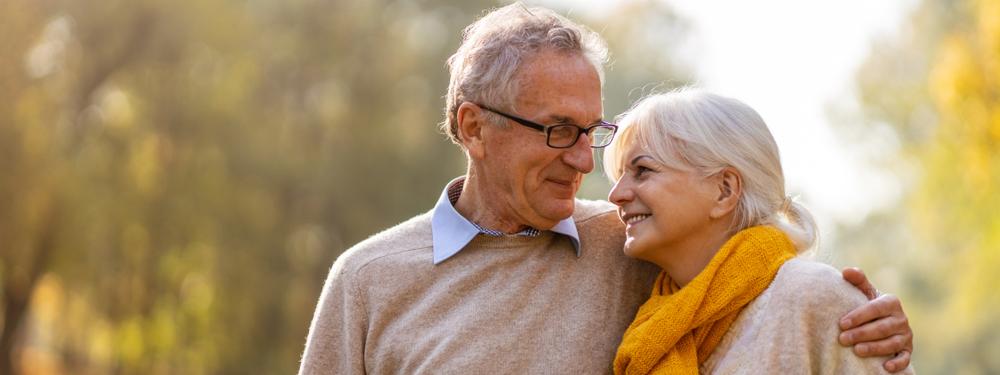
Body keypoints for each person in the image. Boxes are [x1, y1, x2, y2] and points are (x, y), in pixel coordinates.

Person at [298, 4, 913, 374]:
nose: (583, 163)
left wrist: (870, 322)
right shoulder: (367, 281)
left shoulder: (631, 246)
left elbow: (748, 273)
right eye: (559, 131)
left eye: (590, 131)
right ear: (473, 127)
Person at [605, 89, 915, 374]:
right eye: (619, 177)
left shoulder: (814, 296)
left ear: (724, 190)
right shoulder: (652, 322)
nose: (615, 195)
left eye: (642, 171)